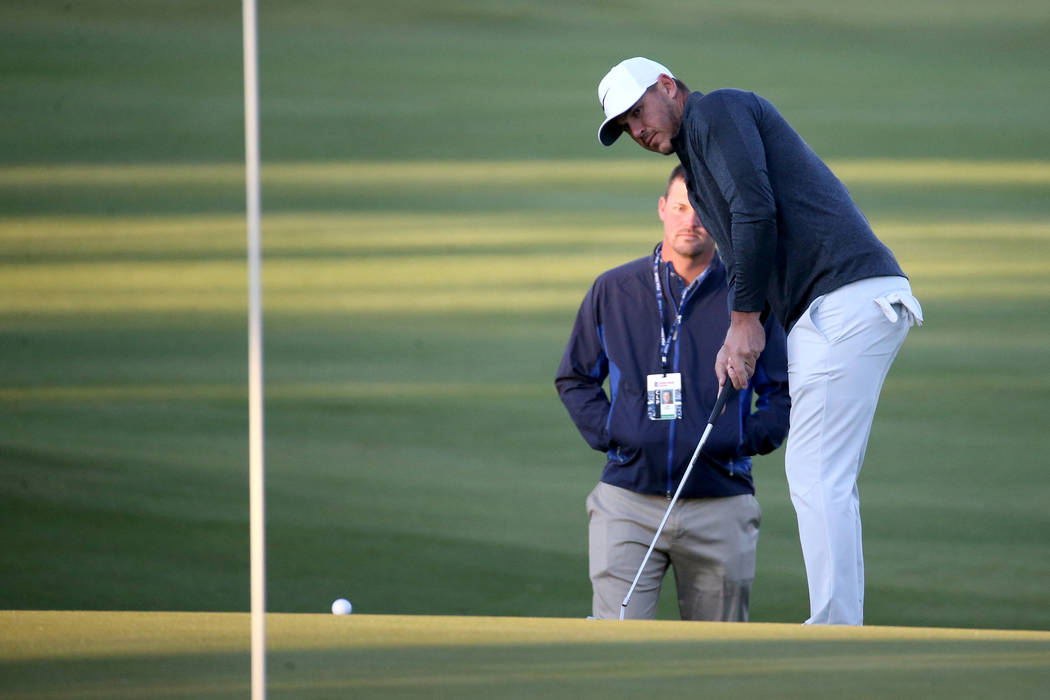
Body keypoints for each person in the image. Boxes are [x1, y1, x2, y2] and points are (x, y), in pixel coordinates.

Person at [594, 57, 924, 625]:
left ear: (667, 86)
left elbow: (755, 211)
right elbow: (755, 250)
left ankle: (837, 628)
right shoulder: (696, 164)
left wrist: (744, 320)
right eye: (625, 127)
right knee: (822, 473)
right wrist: (738, 335)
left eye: (638, 112)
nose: (638, 131)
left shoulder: (717, 110)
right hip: (836, 305)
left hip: (843, 299)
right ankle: (839, 622)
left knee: (818, 472)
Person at [555, 165, 790, 621]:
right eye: (681, 207)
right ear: (663, 209)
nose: (691, 220)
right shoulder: (614, 289)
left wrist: (739, 440)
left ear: (722, 218)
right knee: (615, 646)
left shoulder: (750, 299)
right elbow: (575, 377)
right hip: (627, 502)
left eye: (703, 210)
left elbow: (782, 390)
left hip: (720, 503)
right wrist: (617, 433)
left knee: (717, 660)